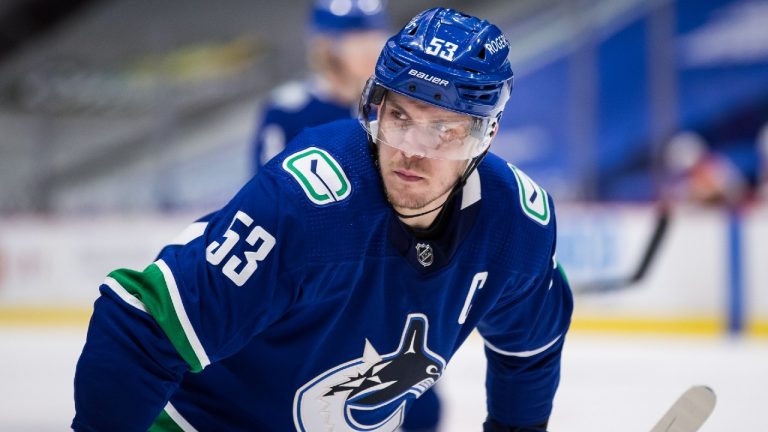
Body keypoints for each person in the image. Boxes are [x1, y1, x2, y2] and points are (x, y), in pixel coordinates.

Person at [73, 7, 573, 432]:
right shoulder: (305, 202)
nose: (410, 151)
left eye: (444, 130)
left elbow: (530, 352)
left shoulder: (518, 226)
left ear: (485, 136)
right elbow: (137, 324)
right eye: (399, 117)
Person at [251, 0, 390, 173]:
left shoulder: (391, 101)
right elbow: (267, 188)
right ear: (325, 49)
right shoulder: (289, 111)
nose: (371, 49)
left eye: (376, 38)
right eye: (357, 41)